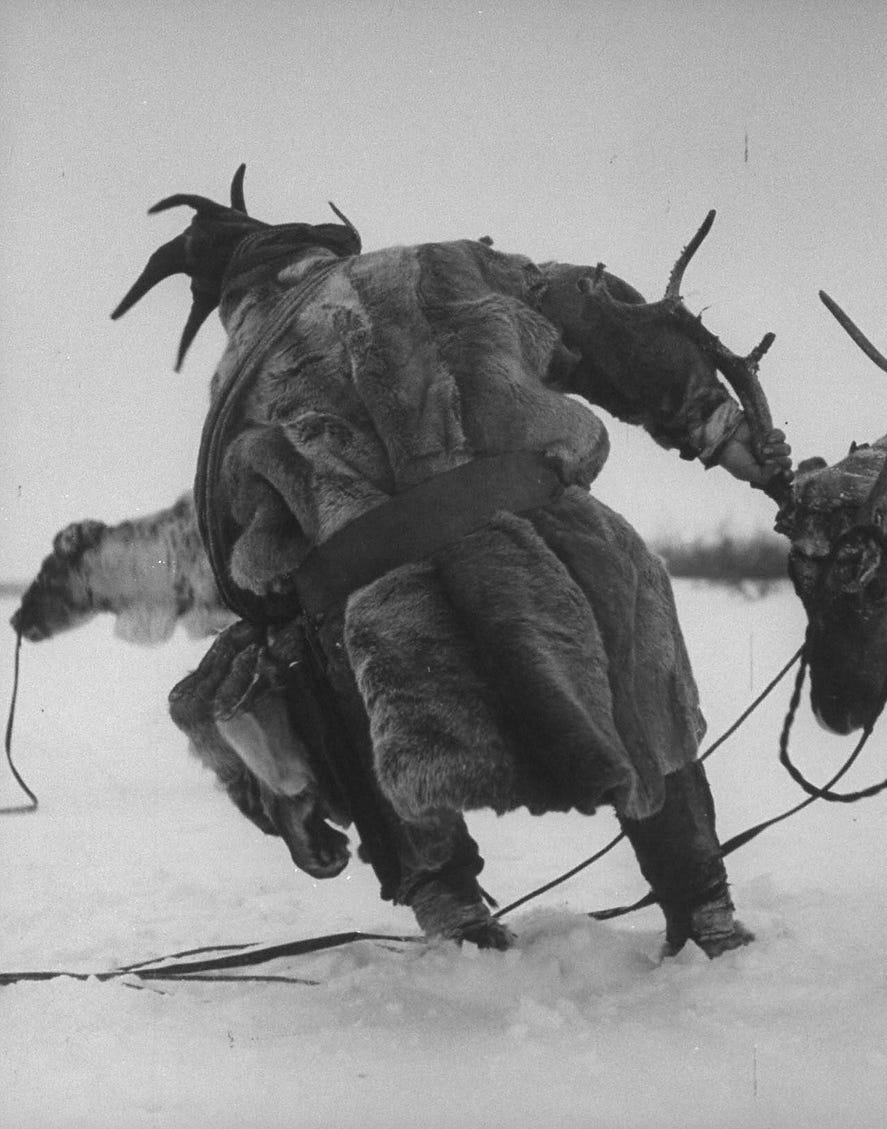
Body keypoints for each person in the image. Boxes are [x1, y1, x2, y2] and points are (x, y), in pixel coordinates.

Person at [113, 168, 790, 958]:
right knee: (639, 694)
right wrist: (717, 428)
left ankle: (453, 915)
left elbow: (244, 566)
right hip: (554, 544)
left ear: (235, 297)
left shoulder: (236, 379)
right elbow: (589, 312)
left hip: (383, 603)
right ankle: (706, 910)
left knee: (337, 673)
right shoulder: (434, 264)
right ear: (316, 247)